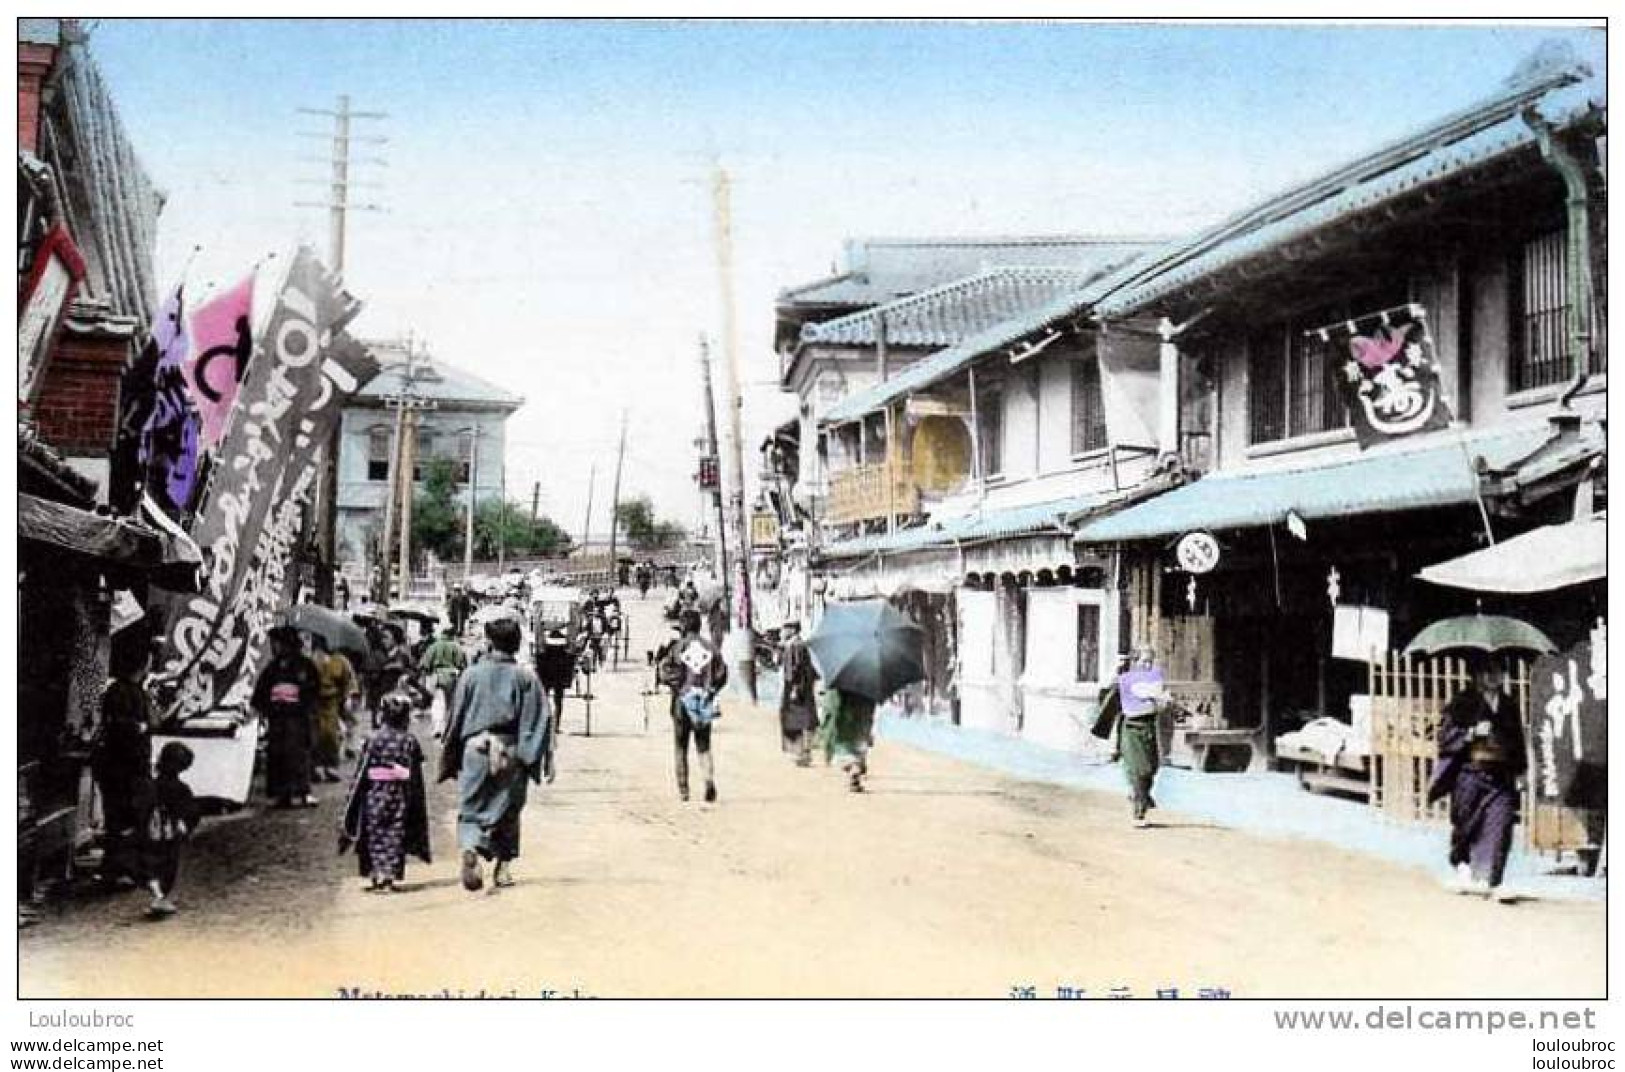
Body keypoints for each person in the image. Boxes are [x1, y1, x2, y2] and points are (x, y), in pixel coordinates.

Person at [438, 618, 552, 892]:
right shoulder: (526, 678)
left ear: (489, 643)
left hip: (475, 749)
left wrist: (450, 753)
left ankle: (471, 848)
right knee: (508, 809)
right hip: (510, 748)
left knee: (471, 806)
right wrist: (531, 757)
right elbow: (538, 719)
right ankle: (502, 868)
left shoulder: (471, 675)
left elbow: (455, 717)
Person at [1427, 659, 1527, 902]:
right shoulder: (1463, 702)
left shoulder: (1508, 703)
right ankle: (1463, 866)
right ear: (1477, 674)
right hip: (1469, 773)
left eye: (1500, 671)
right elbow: (1444, 737)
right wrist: (1470, 734)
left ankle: (1491, 879)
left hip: (1501, 774)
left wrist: (1521, 771)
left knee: (1500, 825)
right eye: (1489, 671)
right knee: (1466, 824)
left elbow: (1517, 740)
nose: (1495, 676)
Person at [341, 692, 431, 892]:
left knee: (373, 833)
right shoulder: (409, 741)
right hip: (400, 795)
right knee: (395, 833)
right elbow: (415, 771)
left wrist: (353, 795)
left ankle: (375, 875)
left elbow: (361, 770)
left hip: (373, 793)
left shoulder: (373, 739)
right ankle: (388, 877)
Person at [91, 647, 155, 888]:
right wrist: (140, 728)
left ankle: (114, 869)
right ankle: (121, 870)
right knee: (126, 819)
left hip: (117, 766)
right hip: (127, 767)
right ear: (143, 664)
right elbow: (123, 727)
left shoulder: (121, 691)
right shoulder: (126, 693)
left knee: (118, 819)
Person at [656, 610, 727, 803]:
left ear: (684, 626)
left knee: (681, 746)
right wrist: (711, 690)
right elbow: (722, 675)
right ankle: (708, 780)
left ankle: (684, 790)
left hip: (682, 701)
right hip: (703, 701)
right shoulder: (711, 648)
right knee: (704, 745)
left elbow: (664, 672)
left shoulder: (677, 648)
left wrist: (677, 685)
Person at [252, 626, 322, 808]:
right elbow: (262, 690)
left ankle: (303, 791)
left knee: (299, 755)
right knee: (278, 756)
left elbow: (314, 690)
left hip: (298, 718)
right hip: (278, 718)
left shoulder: (305, 665)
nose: (275, 647)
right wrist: (266, 708)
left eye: (277, 643)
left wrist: (304, 705)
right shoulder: (273, 667)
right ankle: (282, 794)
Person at [139, 741, 200, 918]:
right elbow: (190, 811)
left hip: (151, 829)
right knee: (168, 865)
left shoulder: (151, 785)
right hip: (170, 832)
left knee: (151, 863)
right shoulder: (181, 789)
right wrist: (186, 826)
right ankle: (161, 896)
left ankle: (157, 894)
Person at [1114, 646, 1169, 827]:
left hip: (1148, 728)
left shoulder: (1154, 679)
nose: (1147, 665)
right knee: (1140, 769)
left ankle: (1139, 794)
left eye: (1149, 662)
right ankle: (1139, 813)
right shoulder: (1127, 680)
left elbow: (1161, 701)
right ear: (1134, 662)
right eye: (1143, 661)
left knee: (1152, 768)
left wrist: (1162, 701)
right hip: (1132, 729)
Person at [310, 635, 359, 784]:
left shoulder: (341, 660)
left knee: (331, 734)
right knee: (315, 734)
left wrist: (348, 698)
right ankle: (316, 765)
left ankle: (330, 765)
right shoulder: (311, 659)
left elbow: (349, 681)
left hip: (332, 701)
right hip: (314, 701)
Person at [818, 686, 877, 792]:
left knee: (844, 749)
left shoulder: (838, 683)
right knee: (857, 746)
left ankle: (853, 768)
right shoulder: (869, 681)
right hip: (861, 714)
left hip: (843, 719)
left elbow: (831, 710)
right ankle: (856, 768)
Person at [777, 621, 819, 767]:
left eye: (784, 629)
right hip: (805, 688)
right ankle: (805, 753)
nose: (781, 632)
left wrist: (793, 688)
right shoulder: (801, 645)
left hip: (795, 688)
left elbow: (793, 670)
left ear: (792, 630)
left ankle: (801, 753)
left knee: (796, 720)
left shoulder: (793, 646)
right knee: (805, 720)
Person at [419, 625, 467, 738]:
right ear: (452, 635)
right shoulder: (457, 647)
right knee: (450, 704)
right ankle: (449, 728)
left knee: (438, 703)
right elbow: (462, 664)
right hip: (452, 676)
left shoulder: (433, 646)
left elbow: (424, 664)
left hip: (438, 676)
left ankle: (437, 728)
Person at [534, 628, 576, 739]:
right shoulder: (566, 654)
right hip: (559, 679)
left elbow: (538, 664)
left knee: (544, 700)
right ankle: (556, 725)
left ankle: (544, 723)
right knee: (558, 701)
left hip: (546, 678)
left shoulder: (543, 654)